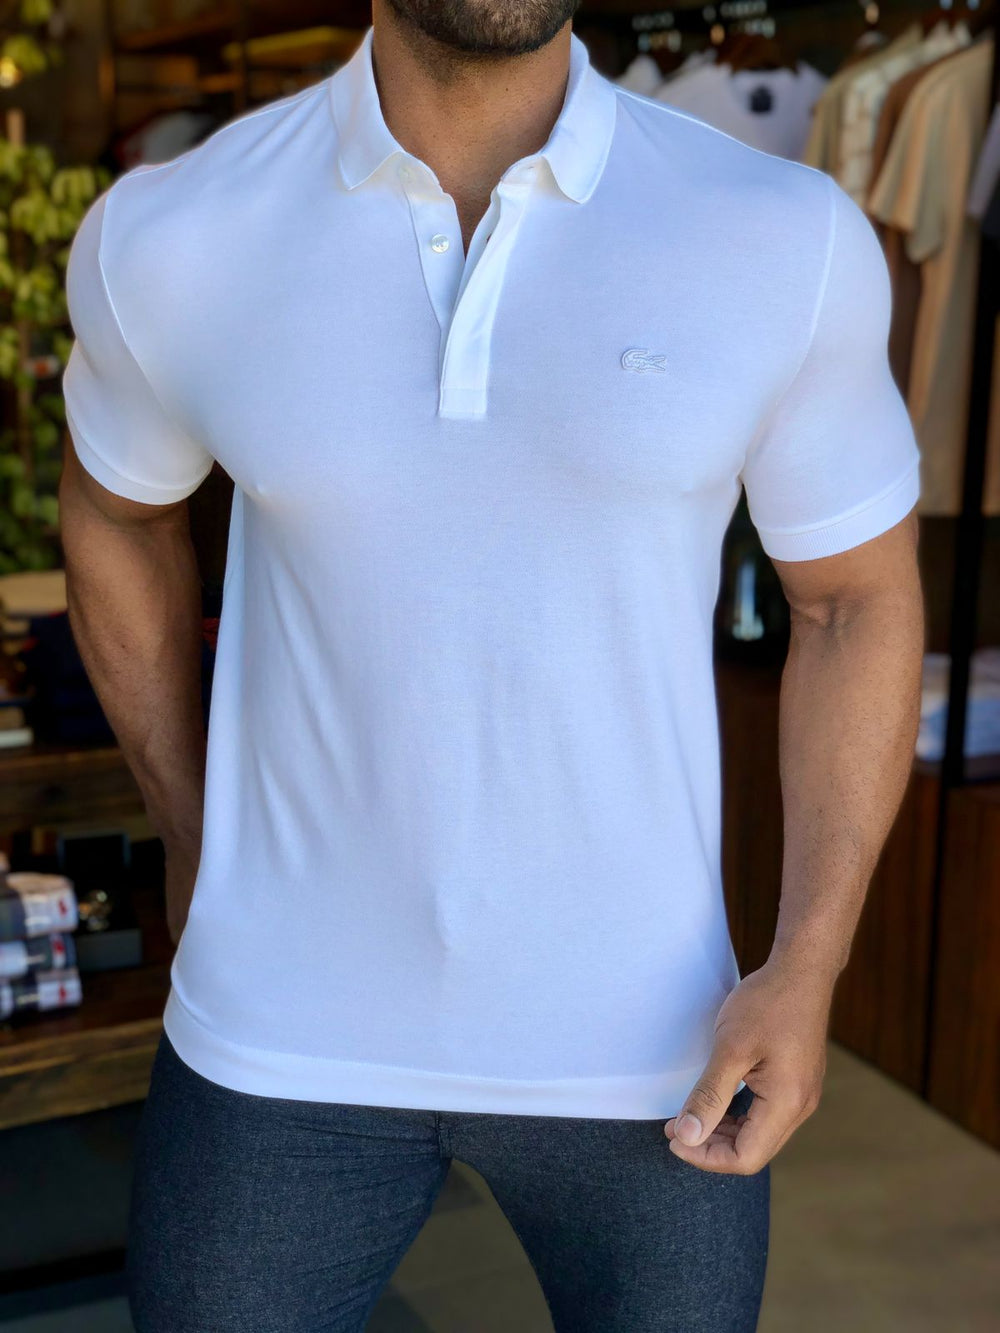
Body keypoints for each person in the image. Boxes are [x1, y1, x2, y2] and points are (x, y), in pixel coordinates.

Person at [57, 0, 925, 1329]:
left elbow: (854, 603)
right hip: (276, 1033)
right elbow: (116, 514)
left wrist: (809, 963)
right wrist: (191, 822)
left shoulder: (781, 236)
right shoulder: (175, 235)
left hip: (657, 1051)